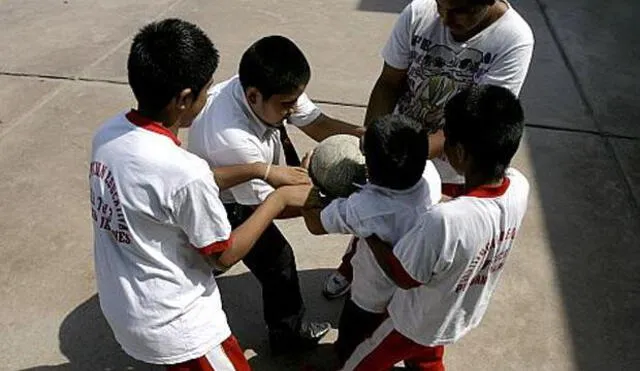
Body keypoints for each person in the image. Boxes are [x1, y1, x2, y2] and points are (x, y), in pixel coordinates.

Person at [90, 19, 311, 370]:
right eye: (206, 91)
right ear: (184, 99)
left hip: (125, 305)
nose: (210, 98)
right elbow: (221, 257)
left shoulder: (108, 135)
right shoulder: (184, 172)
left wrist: (261, 170)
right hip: (181, 328)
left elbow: (172, 181)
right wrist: (277, 200)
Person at [323, 0, 534, 299]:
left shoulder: (514, 39)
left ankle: (398, 292)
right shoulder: (419, 13)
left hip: (450, 166)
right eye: (441, 6)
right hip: (397, 153)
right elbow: (388, 82)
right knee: (374, 219)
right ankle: (351, 267)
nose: (446, 19)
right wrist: (375, 139)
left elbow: (473, 123)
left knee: (419, 240)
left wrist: (398, 156)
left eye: (461, 9)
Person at [187, 35, 363, 355]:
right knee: (277, 261)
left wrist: (364, 138)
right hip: (227, 201)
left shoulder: (275, 89)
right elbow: (271, 207)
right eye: (286, 104)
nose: (293, 108)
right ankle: (288, 338)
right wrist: (327, 191)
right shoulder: (231, 139)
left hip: (255, 175)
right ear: (253, 96)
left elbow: (318, 123)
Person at [341, 85, 530, 370]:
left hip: (412, 322)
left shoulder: (445, 221)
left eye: (446, 139)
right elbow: (474, 212)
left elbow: (403, 276)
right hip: (458, 310)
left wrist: (370, 232)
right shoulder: (519, 185)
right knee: (428, 360)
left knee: (362, 362)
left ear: (460, 153)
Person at [300, 114, 442, 363]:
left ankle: (345, 359)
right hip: (417, 292)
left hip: (372, 293)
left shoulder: (364, 207)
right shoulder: (430, 175)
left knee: (354, 341)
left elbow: (315, 223)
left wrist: (312, 176)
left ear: (370, 169)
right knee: (417, 346)